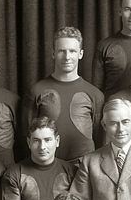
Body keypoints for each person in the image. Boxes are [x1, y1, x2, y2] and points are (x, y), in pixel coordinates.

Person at [26, 27, 104, 163]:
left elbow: (99, 137)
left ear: (81, 54)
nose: (67, 57)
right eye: (62, 51)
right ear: (53, 53)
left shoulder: (95, 94)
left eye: (72, 51)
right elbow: (26, 133)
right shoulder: (37, 90)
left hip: (83, 168)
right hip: (48, 167)